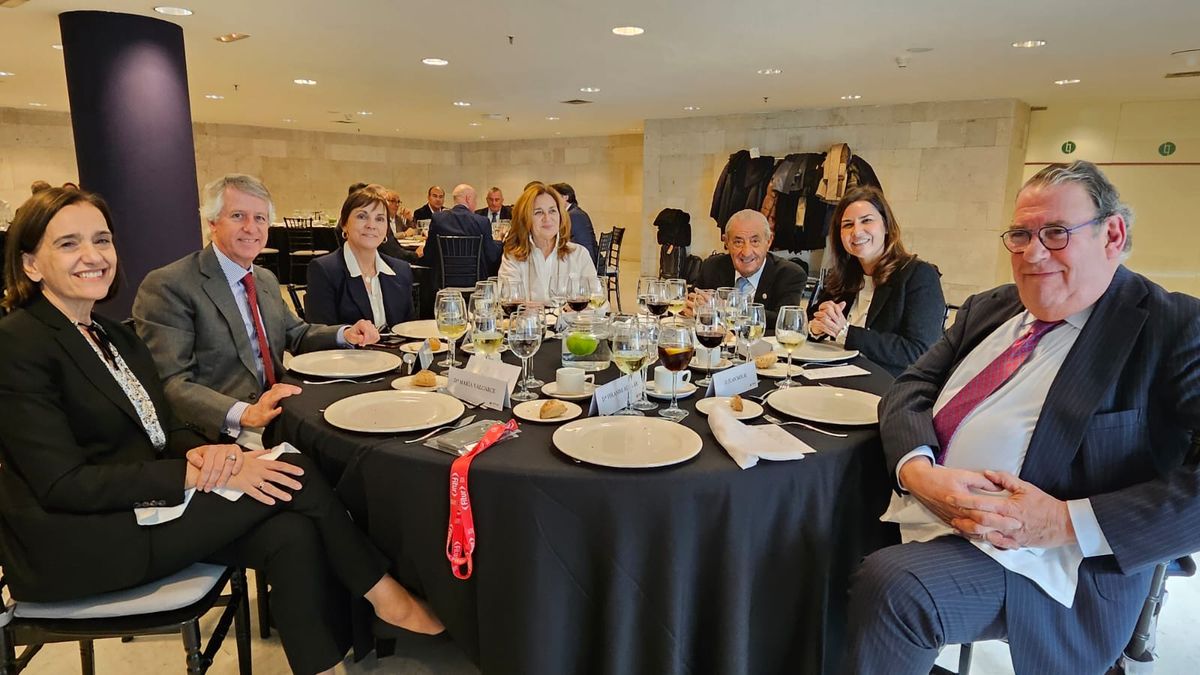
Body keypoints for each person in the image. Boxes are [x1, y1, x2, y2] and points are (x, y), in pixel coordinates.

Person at [0, 188, 442, 675]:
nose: (93, 255)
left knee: (292, 533)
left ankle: (325, 663)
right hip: (82, 541)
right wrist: (196, 473)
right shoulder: (18, 343)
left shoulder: (111, 334)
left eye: (101, 240)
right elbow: (62, 484)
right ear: (31, 264)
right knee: (294, 469)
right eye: (69, 244)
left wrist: (215, 456)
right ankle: (385, 594)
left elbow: (162, 426)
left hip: (145, 506)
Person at [843, 160, 1200, 674]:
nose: (1033, 254)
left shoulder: (1174, 327)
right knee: (803, 525)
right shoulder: (991, 307)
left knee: (896, 589)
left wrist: (1064, 522)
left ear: (1112, 235)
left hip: (1046, 560)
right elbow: (909, 387)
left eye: (1056, 233)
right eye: (1021, 235)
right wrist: (919, 472)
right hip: (924, 504)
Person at [133, 174, 380, 443]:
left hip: (282, 410)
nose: (251, 228)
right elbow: (172, 382)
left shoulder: (264, 279)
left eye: (260, 218)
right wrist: (245, 413)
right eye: (238, 216)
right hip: (221, 431)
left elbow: (297, 334)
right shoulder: (170, 285)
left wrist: (345, 334)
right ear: (212, 222)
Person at [807, 185, 945, 376]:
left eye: (866, 220)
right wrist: (816, 328)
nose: (856, 232)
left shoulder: (919, 275)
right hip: (833, 374)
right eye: (847, 225)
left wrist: (846, 333)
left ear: (886, 226)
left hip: (885, 384)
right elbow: (812, 320)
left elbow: (920, 351)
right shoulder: (843, 275)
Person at [306, 186, 414, 328]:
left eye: (379, 219)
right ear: (344, 224)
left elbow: (408, 331)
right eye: (362, 216)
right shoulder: (325, 270)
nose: (371, 225)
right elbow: (320, 335)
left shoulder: (401, 270)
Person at [690, 209, 807, 324]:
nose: (746, 252)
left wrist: (726, 308)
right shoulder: (712, 266)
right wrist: (694, 306)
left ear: (769, 241)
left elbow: (786, 321)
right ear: (726, 242)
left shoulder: (790, 274)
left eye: (755, 241)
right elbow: (692, 302)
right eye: (738, 242)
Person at [498, 183, 598, 302]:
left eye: (552, 211)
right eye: (538, 212)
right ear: (525, 219)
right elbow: (506, 301)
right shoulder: (512, 258)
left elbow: (599, 302)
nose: (547, 218)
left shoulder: (579, 254)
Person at [418, 183, 501, 289]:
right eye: (475, 200)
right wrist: (499, 243)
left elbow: (429, 255)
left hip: (443, 282)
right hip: (476, 281)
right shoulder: (482, 222)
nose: (475, 203)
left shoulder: (438, 219)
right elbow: (492, 256)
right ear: (468, 198)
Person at [549, 182, 599, 264]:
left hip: (585, 261)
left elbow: (563, 239)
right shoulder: (574, 212)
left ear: (565, 197)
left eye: (555, 197)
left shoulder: (574, 215)